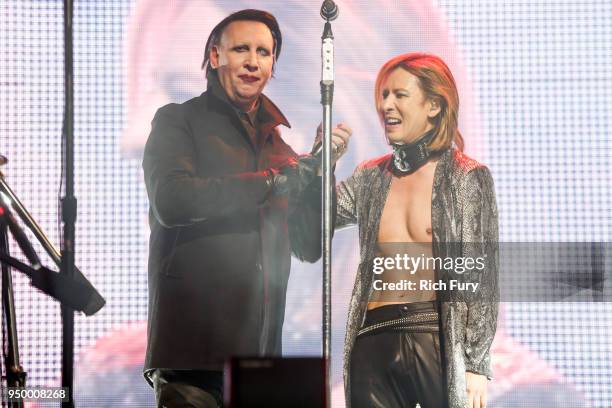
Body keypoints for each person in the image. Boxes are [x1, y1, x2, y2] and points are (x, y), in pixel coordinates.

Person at [142, 9, 351, 407]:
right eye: (241, 49)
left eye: (264, 52)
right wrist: (272, 182)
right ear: (216, 56)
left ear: (273, 64)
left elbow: (309, 245)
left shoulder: (279, 147)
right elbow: (173, 201)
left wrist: (323, 171)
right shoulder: (178, 121)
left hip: (259, 357)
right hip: (192, 352)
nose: (253, 61)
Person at [334, 53, 499, 408]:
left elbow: (480, 276)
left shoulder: (465, 176)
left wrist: (475, 364)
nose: (386, 105)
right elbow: (320, 219)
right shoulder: (370, 177)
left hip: (433, 334)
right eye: (383, 95)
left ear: (434, 106)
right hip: (372, 335)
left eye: (399, 95)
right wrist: (321, 164)